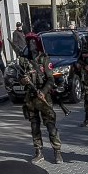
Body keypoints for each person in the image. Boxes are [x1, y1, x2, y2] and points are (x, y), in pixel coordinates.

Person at [17, 32, 64, 163]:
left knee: (50, 124)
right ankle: (38, 152)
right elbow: (19, 79)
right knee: (34, 126)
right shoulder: (23, 60)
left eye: (33, 41)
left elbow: (51, 80)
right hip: (30, 98)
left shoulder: (44, 59)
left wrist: (43, 91)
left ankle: (57, 151)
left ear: (37, 43)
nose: (31, 44)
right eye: (28, 42)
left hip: (44, 97)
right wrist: (23, 80)